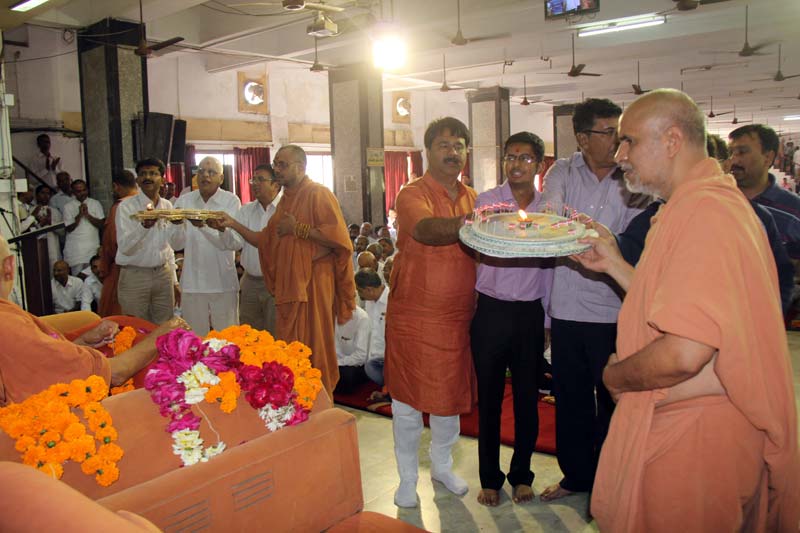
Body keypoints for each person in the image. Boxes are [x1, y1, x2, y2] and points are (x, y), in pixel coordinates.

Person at [570, 88, 800, 532]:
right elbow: (675, 307)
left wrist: (615, 378)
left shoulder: (707, 212)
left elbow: (684, 352)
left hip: (698, 439)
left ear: (672, 140)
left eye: (629, 140)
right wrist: (613, 264)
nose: (619, 155)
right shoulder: (692, 206)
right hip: (689, 424)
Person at [539, 98, 649, 502]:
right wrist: (588, 236)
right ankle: (577, 477)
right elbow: (550, 220)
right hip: (568, 308)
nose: (619, 143)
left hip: (616, 309)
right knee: (571, 400)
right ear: (583, 138)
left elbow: (632, 242)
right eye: (609, 133)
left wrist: (581, 235)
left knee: (616, 399)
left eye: (621, 134)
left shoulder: (632, 176)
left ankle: (614, 478)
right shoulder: (563, 171)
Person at [385, 117, 476, 508]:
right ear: (428, 152)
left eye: (459, 145)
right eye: (444, 145)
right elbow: (425, 230)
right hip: (414, 315)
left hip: (457, 317)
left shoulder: (473, 197)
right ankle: (407, 478)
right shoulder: (412, 193)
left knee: (447, 399)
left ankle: (441, 466)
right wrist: (476, 223)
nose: (452, 152)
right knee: (407, 402)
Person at [222, 145, 354, 397]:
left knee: (315, 343)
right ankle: (296, 399)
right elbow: (265, 241)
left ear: (300, 167)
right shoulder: (286, 201)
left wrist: (299, 229)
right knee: (290, 346)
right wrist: (232, 224)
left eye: (282, 165)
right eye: (276, 164)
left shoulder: (319, 194)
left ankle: (320, 399)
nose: (277, 170)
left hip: (315, 283)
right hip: (291, 286)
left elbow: (339, 240)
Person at [0, 233, 189, 406]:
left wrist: (81, 342)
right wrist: (163, 335)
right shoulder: (8, 325)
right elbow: (115, 374)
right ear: (9, 266)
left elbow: (40, 361)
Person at [471, 131, 554, 507]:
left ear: (538, 165)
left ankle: (522, 475)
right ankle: (490, 478)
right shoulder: (487, 202)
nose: (516, 164)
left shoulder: (547, 208)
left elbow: (551, 265)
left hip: (529, 314)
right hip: (491, 310)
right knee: (489, 400)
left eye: (525, 158)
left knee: (526, 399)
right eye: (510, 157)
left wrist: (548, 317)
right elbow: (478, 245)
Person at [171, 157, 242, 336]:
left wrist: (202, 226)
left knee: (227, 338)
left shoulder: (231, 201)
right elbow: (176, 244)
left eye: (211, 172)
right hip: (192, 282)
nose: (205, 176)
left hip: (222, 281)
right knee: (194, 339)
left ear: (221, 178)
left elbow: (233, 243)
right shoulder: (184, 201)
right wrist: (177, 225)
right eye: (201, 171)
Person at [215, 164, 282, 333]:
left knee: (276, 334)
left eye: (261, 179)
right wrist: (222, 229)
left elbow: (265, 242)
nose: (255, 184)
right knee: (249, 335)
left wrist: (233, 223)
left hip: (277, 282)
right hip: (250, 281)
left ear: (275, 185)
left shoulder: (285, 209)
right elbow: (235, 243)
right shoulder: (246, 210)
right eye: (253, 180)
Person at [115, 159, 179, 325]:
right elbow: (125, 247)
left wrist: (174, 280)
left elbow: (170, 247)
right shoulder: (126, 207)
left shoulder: (167, 206)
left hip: (163, 274)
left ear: (162, 180)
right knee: (136, 328)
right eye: (143, 174)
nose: (147, 177)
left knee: (164, 327)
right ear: (137, 180)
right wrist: (144, 226)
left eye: (153, 173)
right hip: (135, 275)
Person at [728, 124, 800, 260]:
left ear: (768, 157)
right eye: (731, 153)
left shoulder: (794, 211)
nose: (733, 160)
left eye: (742, 152)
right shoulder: (719, 201)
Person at [98, 169, 138, 317]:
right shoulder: (147, 204)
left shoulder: (119, 207)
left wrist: (105, 265)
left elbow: (112, 243)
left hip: (122, 269)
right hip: (149, 269)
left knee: (119, 318)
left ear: (116, 186)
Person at [62, 179, 105, 275]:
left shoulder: (95, 203)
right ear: (73, 192)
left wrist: (87, 215)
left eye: (84, 190)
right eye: (79, 191)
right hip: (76, 251)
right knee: (78, 279)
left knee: (93, 277)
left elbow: (102, 225)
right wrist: (79, 215)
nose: (82, 193)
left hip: (92, 249)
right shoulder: (68, 207)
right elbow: (69, 228)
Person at [355, 268, 388, 388]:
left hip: (386, 359)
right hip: (369, 356)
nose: (359, 295)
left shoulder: (392, 301)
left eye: (360, 291)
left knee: (370, 368)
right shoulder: (369, 301)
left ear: (369, 290)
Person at [333, 304, 370, 394]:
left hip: (354, 364)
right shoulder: (329, 313)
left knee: (347, 376)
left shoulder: (362, 318)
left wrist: (338, 363)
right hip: (336, 362)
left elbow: (361, 356)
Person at [29, 184, 63, 271]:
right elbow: (28, 231)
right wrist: (40, 224)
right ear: (37, 195)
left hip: (53, 247)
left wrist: (50, 222)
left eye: (48, 193)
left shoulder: (55, 211)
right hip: (36, 247)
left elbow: (62, 232)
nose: (45, 196)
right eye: (42, 193)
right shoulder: (31, 210)